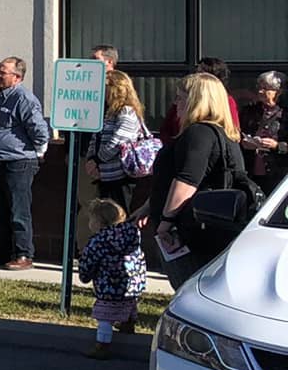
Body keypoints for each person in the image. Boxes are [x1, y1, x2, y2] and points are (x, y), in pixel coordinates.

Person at [146, 72, 256, 289]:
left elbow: (187, 181)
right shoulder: (224, 134)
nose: (175, 103)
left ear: (197, 100)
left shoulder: (198, 133)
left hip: (189, 231)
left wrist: (165, 223)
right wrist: (148, 206)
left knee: (189, 289)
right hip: (208, 227)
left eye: (180, 97)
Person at [0, 55, 51, 270]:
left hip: (19, 162)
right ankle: (0, 252)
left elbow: (40, 131)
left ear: (17, 77)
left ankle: (24, 254)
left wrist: (37, 150)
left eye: (3, 72)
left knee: (18, 210)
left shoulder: (24, 99)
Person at [76, 197, 144, 360]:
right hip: (132, 284)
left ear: (99, 222)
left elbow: (88, 262)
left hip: (109, 286)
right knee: (129, 305)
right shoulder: (132, 234)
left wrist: (84, 276)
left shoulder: (98, 241)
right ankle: (128, 325)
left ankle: (103, 344)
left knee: (104, 316)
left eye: (91, 219)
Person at [92, 69, 150, 213]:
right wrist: (91, 158)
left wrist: (97, 160)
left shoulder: (127, 112)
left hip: (120, 175)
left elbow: (118, 142)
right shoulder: (108, 112)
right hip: (105, 174)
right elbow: (97, 136)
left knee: (119, 214)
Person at [160, 57, 230, 142]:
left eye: (202, 73)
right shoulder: (182, 102)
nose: (197, 76)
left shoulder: (200, 132)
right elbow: (166, 128)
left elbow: (230, 130)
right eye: (197, 72)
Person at [241, 70, 285, 189]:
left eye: (265, 88)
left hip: (277, 173)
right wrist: (244, 142)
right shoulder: (249, 111)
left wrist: (277, 145)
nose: (260, 91)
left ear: (278, 92)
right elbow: (237, 133)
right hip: (250, 172)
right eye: (259, 87)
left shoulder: (285, 114)